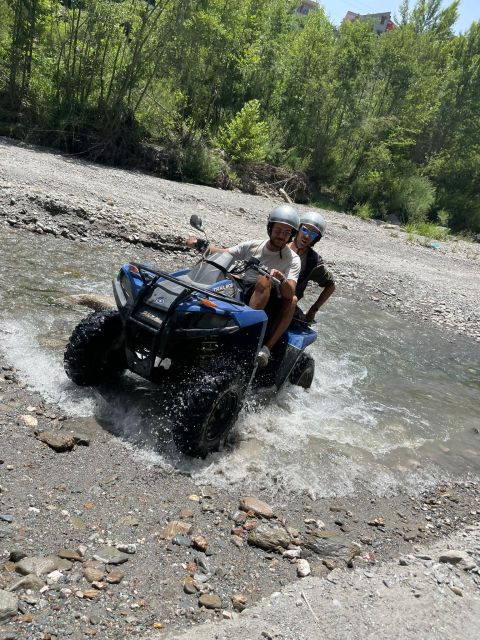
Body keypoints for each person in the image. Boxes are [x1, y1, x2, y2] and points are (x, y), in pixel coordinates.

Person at [186, 205, 301, 367]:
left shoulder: (293, 259)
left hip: (271, 297)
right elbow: (225, 253)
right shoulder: (253, 245)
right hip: (243, 286)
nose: (281, 236)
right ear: (270, 228)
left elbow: (289, 294)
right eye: (278, 230)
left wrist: (282, 279)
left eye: (286, 233)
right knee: (221, 276)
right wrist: (199, 244)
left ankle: (253, 340)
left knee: (265, 279)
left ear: (291, 235)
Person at [289, 211, 335, 324]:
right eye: (304, 230)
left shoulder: (313, 262)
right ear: (298, 229)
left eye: (313, 234)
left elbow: (331, 285)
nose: (307, 236)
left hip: (287, 302)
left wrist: (314, 309)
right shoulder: (280, 244)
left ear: (316, 239)